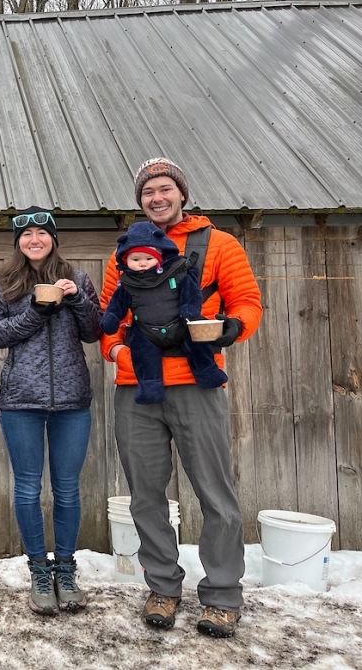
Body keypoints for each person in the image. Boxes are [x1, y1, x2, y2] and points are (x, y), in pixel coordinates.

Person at [100, 158, 262, 638]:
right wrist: (120, 354)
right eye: (148, 192)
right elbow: (109, 322)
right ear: (141, 201)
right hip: (137, 391)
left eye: (165, 188)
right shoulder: (122, 253)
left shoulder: (220, 245)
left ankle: (222, 596)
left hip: (197, 384)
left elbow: (248, 303)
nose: (157, 198)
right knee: (145, 497)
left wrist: (229, 330)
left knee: (216, 494)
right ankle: (163, 588)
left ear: (181, 193)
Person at [0, 206, 102, 616]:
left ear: (53, 238)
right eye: (26, 235)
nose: (34, 240)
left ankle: (65, 568)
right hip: (21, 400)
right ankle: (38, 568)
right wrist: (37, 310)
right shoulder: (3, 282)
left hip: (71, 399)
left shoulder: (78, 278)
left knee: (67, 487)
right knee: (28, 487)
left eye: (41, 233)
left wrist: (77, 298)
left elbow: (93, 332)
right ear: (17, 242)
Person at [100, 221, 227, 405]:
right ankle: (150, 388)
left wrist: (189, 312)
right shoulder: (126, 283)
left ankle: (208, 372)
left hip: (180, 325)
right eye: (136, 260)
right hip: (145, 331)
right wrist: (112, 330)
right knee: (143, 355)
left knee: (197, 344)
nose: (142, 263)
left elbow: (190, 294)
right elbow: (113, 306)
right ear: (125, 261)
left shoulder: (178, 272)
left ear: (159, 257)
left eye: (148, 259)